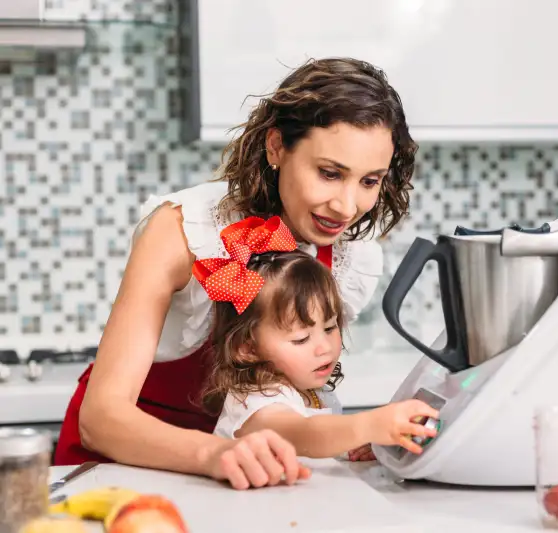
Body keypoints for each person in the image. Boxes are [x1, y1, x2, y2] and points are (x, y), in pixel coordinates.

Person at [53, 57, 418, 490]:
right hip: (114, 467)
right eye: (329, 173)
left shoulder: (346, 255)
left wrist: (343, 439)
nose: (346, 206)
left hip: (235, 473)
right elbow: (102, 419)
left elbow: (277, 397)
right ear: (277, 147)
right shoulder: (183, 230)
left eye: (369, 181)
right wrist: (216, 453)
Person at [200, 216, 438, 461]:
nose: (324, 347)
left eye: (330, 327)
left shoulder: (306, 387)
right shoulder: (258, 402)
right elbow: (304, 435)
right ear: (247, 348)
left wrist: (360, 442)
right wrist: (369, 425)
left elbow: (321, 444)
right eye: (302, 339)